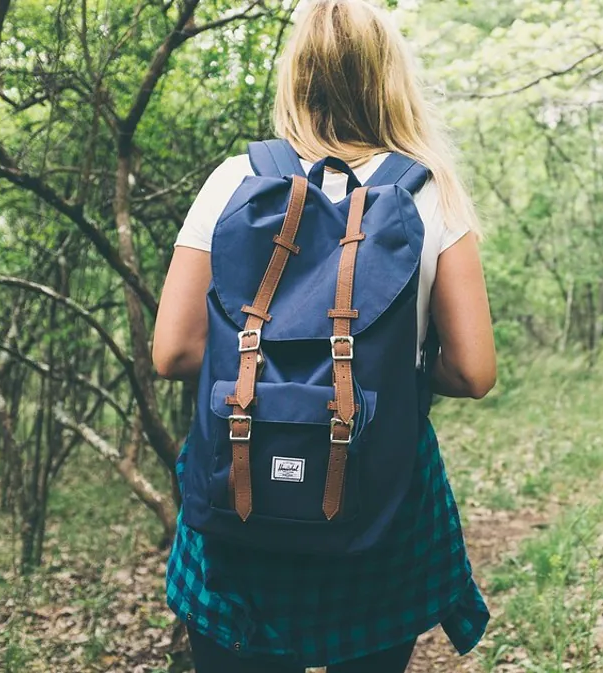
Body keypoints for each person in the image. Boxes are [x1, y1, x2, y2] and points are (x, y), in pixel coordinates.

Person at [151, 0, 496, 670]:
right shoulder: (432, 195)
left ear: (297, 76)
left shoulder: (235, 181)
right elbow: (474, 371)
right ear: (388, 78)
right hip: (378, 505)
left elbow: (174, 351)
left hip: (241, 497)